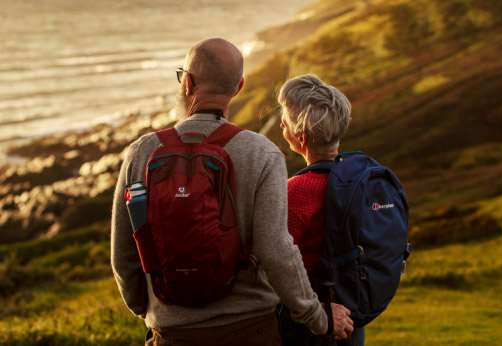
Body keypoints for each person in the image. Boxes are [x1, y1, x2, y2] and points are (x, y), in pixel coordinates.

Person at [111, 38, 354, 346]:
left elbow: (123, 256)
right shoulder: (262, 153)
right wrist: (318, 318)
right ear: (239, 87)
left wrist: (150, 311)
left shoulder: (141, 152)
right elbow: (276, 250)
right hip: (252, 330)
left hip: (171, 333)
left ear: (187, 82)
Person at [276, 74, 365, 346]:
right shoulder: (362, 180)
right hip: (353, 312)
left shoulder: (296, 190)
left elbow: (278, 263)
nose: (281, 123)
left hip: (309, 323)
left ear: (301, 137)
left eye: (286, 122)